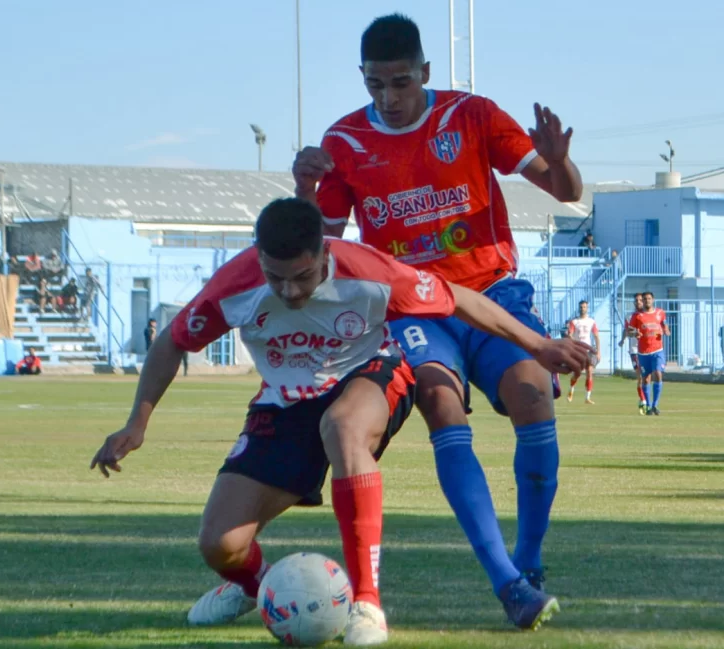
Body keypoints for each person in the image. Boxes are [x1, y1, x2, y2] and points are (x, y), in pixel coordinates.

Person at [90, 199, 589, 645]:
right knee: (220, 544)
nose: (288, 290)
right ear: (260, 260)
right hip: (284, 400)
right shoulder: (234, 285)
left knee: (344, 428)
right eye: (275, 277)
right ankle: (262, 590)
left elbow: (459, 298)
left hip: (372, 371)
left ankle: (366, 604)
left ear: (324, 256)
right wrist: (138, 422)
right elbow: (172, 341)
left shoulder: (370, 271)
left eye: (302, 277)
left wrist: (539, 345)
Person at [292, 13, 583, 629]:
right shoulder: (343, 143)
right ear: (363, 79)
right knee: (439, 401)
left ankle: (528, 560)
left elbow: (562, 191)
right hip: (414, 304)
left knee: (534, 395)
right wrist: (304, 186)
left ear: (425, 72)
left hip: (493, 291)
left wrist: (561, 162)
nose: (389, 98)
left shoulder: (471, 116)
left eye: (400, 83)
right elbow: (317, 245)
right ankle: (507, 584)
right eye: (376, 86)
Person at [629, 291, 670, 416]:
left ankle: (655, 405)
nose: (647, 301)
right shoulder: (637, 316)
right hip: (643, 352)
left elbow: (664, 323)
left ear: (653, 300)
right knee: (645, 379)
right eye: (645, 299)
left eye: (649, 298)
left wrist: (666, 329)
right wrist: (634, 334)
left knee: (657, 373)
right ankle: (647, 403)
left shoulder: (660, 313)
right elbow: (630, 330)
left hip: (657, 350)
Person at [566, 301, 600, 404]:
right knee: (577, 373)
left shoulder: (591, 321)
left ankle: (587, 397)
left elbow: (596, 336)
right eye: (581, 307)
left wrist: (598, 351)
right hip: (578, 350)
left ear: (587, 308)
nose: (583, 309)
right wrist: (573, 341)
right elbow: (570, 334)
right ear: (579, 308)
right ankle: (571, 389)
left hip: (588, 350)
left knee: (590, 372)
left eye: (585, 307)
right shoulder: (574, 321)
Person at [619, 293, 647, 414]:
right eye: (636, 300)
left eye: (641, 300)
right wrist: (623, 339)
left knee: (648, 377)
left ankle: (645, 399)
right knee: (640, 376)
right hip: (635, 350)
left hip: (647, 349)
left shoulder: (648, 315)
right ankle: (643, 400)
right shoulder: (630, 316)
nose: (638, 302)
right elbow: (627, 330)